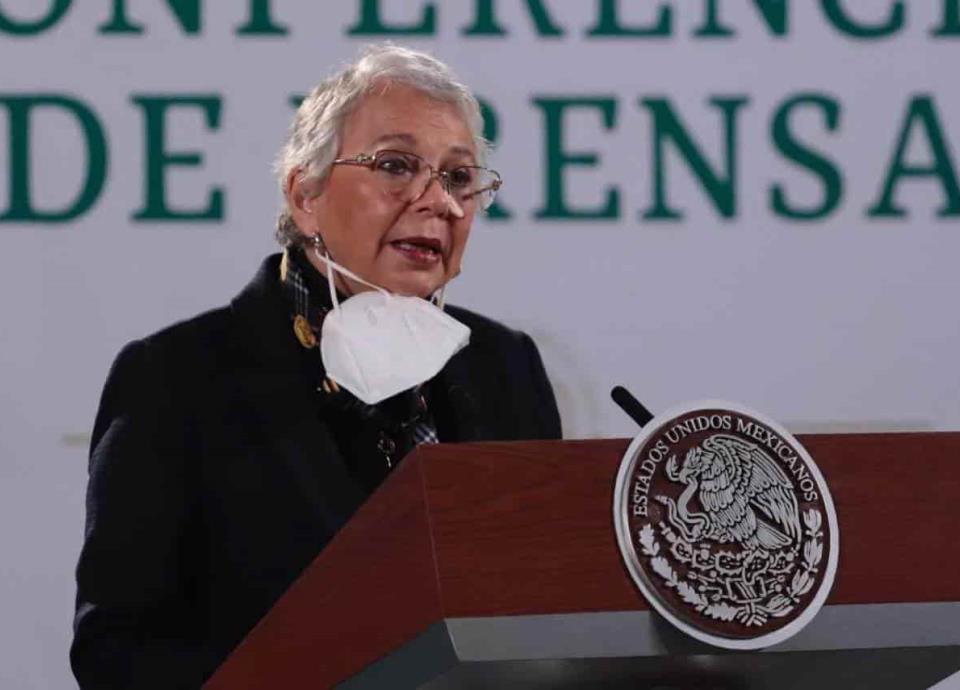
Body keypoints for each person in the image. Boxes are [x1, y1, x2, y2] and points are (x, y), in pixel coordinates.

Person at [71, 45, 561, 689]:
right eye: (396, 166)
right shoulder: (176, 379)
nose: (440, 202)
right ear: (305, 194)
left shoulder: (506, 367)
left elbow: (549, 612)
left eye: (459, 177)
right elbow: (116, 652)